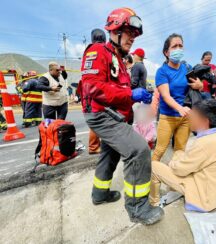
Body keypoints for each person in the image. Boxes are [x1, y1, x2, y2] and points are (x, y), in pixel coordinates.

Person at [80, 7, 164, 225]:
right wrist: (129, 93)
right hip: (102, 116)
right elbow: (92, 88)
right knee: (138, 151)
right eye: (129, 32)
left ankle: (99, 194)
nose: (132, 38)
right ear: (115, 30)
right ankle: (137, 208)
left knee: (110, 154)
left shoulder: (119, 59)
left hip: (114, 115)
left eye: (135, 35)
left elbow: (117, 91)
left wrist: (136, 98)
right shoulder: (97, 51)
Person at [150, 100, 216, 211]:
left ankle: (154, 205)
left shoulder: (205, 143)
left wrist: (171, 164)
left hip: (205, 198)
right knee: (179, 153)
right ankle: (175, 190)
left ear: (204, 121)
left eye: (193, 116)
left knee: (154, 166)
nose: (189, 118)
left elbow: (180, 170)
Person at [152, 33, 203, 161]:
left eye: (181, 46)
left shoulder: (187, 67)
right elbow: (166, 96)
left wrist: (199, 85)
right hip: (168, 117)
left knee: (180, 150)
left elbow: (199, 86)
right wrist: (180, 108)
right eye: (174, 46)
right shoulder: (162, 72)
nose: (178, 49)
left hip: (185, 117)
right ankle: (152, 176)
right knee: (160, 150)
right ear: (166, 52)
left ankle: (175, 176)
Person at [87, 28, 107, 155]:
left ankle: (94, 146)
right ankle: (94, 147)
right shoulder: (101, 51)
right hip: (100, 92)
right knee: (98, 120)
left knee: (96, 120)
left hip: (90, 92)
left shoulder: (89, 51)